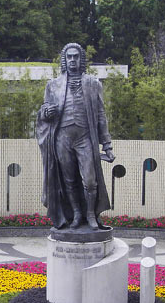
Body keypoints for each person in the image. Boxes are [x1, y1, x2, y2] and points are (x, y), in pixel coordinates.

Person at [36, 42, 115, 230]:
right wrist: (46, 113)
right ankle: (77, 213)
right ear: (64, 60)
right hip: (62, 138)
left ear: (81, 59)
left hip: (85, 137)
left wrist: (107, 145)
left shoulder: (93, 84)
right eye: (69, 57)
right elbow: (43, 112)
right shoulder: (53, 85)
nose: (72, 60)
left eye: (76, 56)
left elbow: (101, 116)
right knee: (68, 180)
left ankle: (90, 213)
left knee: (89, 180)